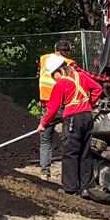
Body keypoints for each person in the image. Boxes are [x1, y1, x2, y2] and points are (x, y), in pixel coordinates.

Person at [40, 50, 102, 196]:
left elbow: (53, 108)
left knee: (70, 153)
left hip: (72, 119)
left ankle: (70, 188)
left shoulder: (61, 84)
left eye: (52, 75)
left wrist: (43, 123)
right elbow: (98, 89)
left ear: (59, 71)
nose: (53, 78)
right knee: (85, 152)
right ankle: (86, 187)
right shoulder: (81, 77)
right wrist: (89, 104)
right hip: (87, 117)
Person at [36, 40, 74, 177]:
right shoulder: (69, 63)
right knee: (68, 141)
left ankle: (44, 172)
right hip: (64, 107)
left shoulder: (43, 59)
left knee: (45, 140)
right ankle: (69, 173)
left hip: (46, 106)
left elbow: (38, 74)